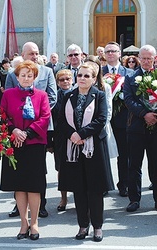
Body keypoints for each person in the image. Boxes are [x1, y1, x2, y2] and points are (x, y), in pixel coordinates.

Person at [58, 62, 114, 242]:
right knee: (79, 189)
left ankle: (97, 227)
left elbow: (101, 119)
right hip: (73, 147)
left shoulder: (99, 95)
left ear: (93, 78)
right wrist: (73, 135)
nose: (82, 78)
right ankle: (83, 226)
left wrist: (81, 134)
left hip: (94, 148)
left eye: (86, 76)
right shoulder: (69, 96)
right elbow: (61, 121)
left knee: (95, 190)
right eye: (80, 75)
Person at [0, 60, 51, 240]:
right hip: (14, 144)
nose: (26, 78)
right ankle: (23, 222)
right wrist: (14, 131)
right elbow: (2, 115)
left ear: (35, 77)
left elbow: (45, 116)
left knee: (34, 186)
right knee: (19, 186)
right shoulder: (8, 94)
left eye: (30, 76)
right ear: (17, 77)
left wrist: (27, 133)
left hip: (34, 144)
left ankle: (35, 222)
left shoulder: (41, 95)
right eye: (23, 75)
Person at [6, 42, 57, 219]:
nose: (34, 56)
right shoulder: (13, 75)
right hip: (16, 133)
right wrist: (15, 130)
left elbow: (52, 97)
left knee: (37, 172)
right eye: (31, 54)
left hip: (38, 131)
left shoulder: (47, 71)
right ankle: (19, 207)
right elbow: (7, 107)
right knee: (18, 174)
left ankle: (40, 205)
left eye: (36, 53)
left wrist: (32, 124)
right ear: (23, 55)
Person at [123, 44, 157, 212]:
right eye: (142, 58)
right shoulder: (130, 77)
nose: (145, 61)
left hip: (156, 127)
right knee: (134, 165)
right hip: (136, 127)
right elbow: (128, 100)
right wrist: (145, 114)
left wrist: (154, 115)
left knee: (155, 164)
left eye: (148, 58)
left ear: (154, 59)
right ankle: (134, 199)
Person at [101, 41, 134, 197]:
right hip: (103, 121)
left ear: (120, 54)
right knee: (102, 154)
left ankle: (124, 185)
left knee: (123, 154)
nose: (110, 54)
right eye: (107, 52)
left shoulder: (128, 73)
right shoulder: (99, 73)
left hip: (122, 120)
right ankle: (103, 185)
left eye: (113, 51)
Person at [50, 69, 74, 211]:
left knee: (77, 168)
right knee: (61, 169)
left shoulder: (78, 94)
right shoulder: (54, 97)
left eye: (68, 79)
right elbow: (51, 120)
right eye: (61, 79)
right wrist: (50, 142)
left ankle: (79, 197)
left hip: (76, 138)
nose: (65, 82)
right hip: (60, 138)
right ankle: (63, 198)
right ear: (57, 82)